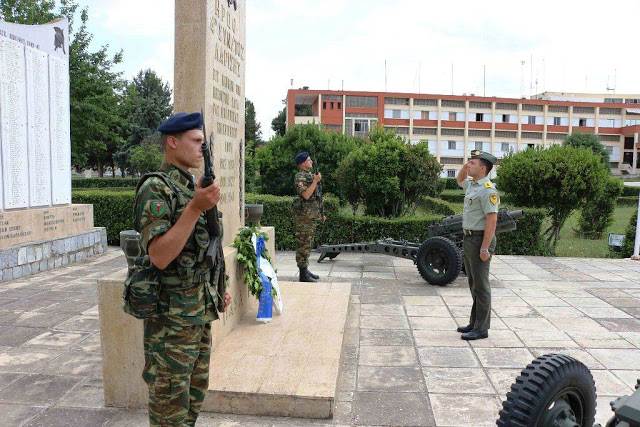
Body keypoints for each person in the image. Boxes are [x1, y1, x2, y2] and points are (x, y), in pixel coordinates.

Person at [134, 112, 231, 426]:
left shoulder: (193, 189)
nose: (201, 148)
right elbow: (160, 255)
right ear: (172, 142)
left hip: (198, 313)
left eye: (203, 142)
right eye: (196, 141)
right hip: (170, 322)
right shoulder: (156, 188)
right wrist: (194, 209)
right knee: (169, 409)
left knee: (191, 401)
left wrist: (218, 290)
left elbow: (209, 249)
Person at [455, 150, 500, 341]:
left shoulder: (488, 190)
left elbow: (492, 220)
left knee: (481, 286)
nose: (469, 165)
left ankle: (481, 328)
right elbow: (459, 180)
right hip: (469, 238)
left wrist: (485, 248)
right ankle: (475, 322)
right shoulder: (473, 186)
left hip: (481, 240)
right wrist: (463, 168)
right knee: (473, 284)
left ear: (483, 169)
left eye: (472, 163)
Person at [293, 151, 324, 282]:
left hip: (312, 216)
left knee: (308, 244)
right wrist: (315, 181)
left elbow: (317, 197)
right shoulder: (300, 177)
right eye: (308, 160)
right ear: (302, 163)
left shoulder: (310, 175)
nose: (311, 161)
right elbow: (306, 195)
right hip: (304, 217)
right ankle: (303, 274)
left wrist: (322, 213)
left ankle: (305, 270)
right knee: (303, 245)